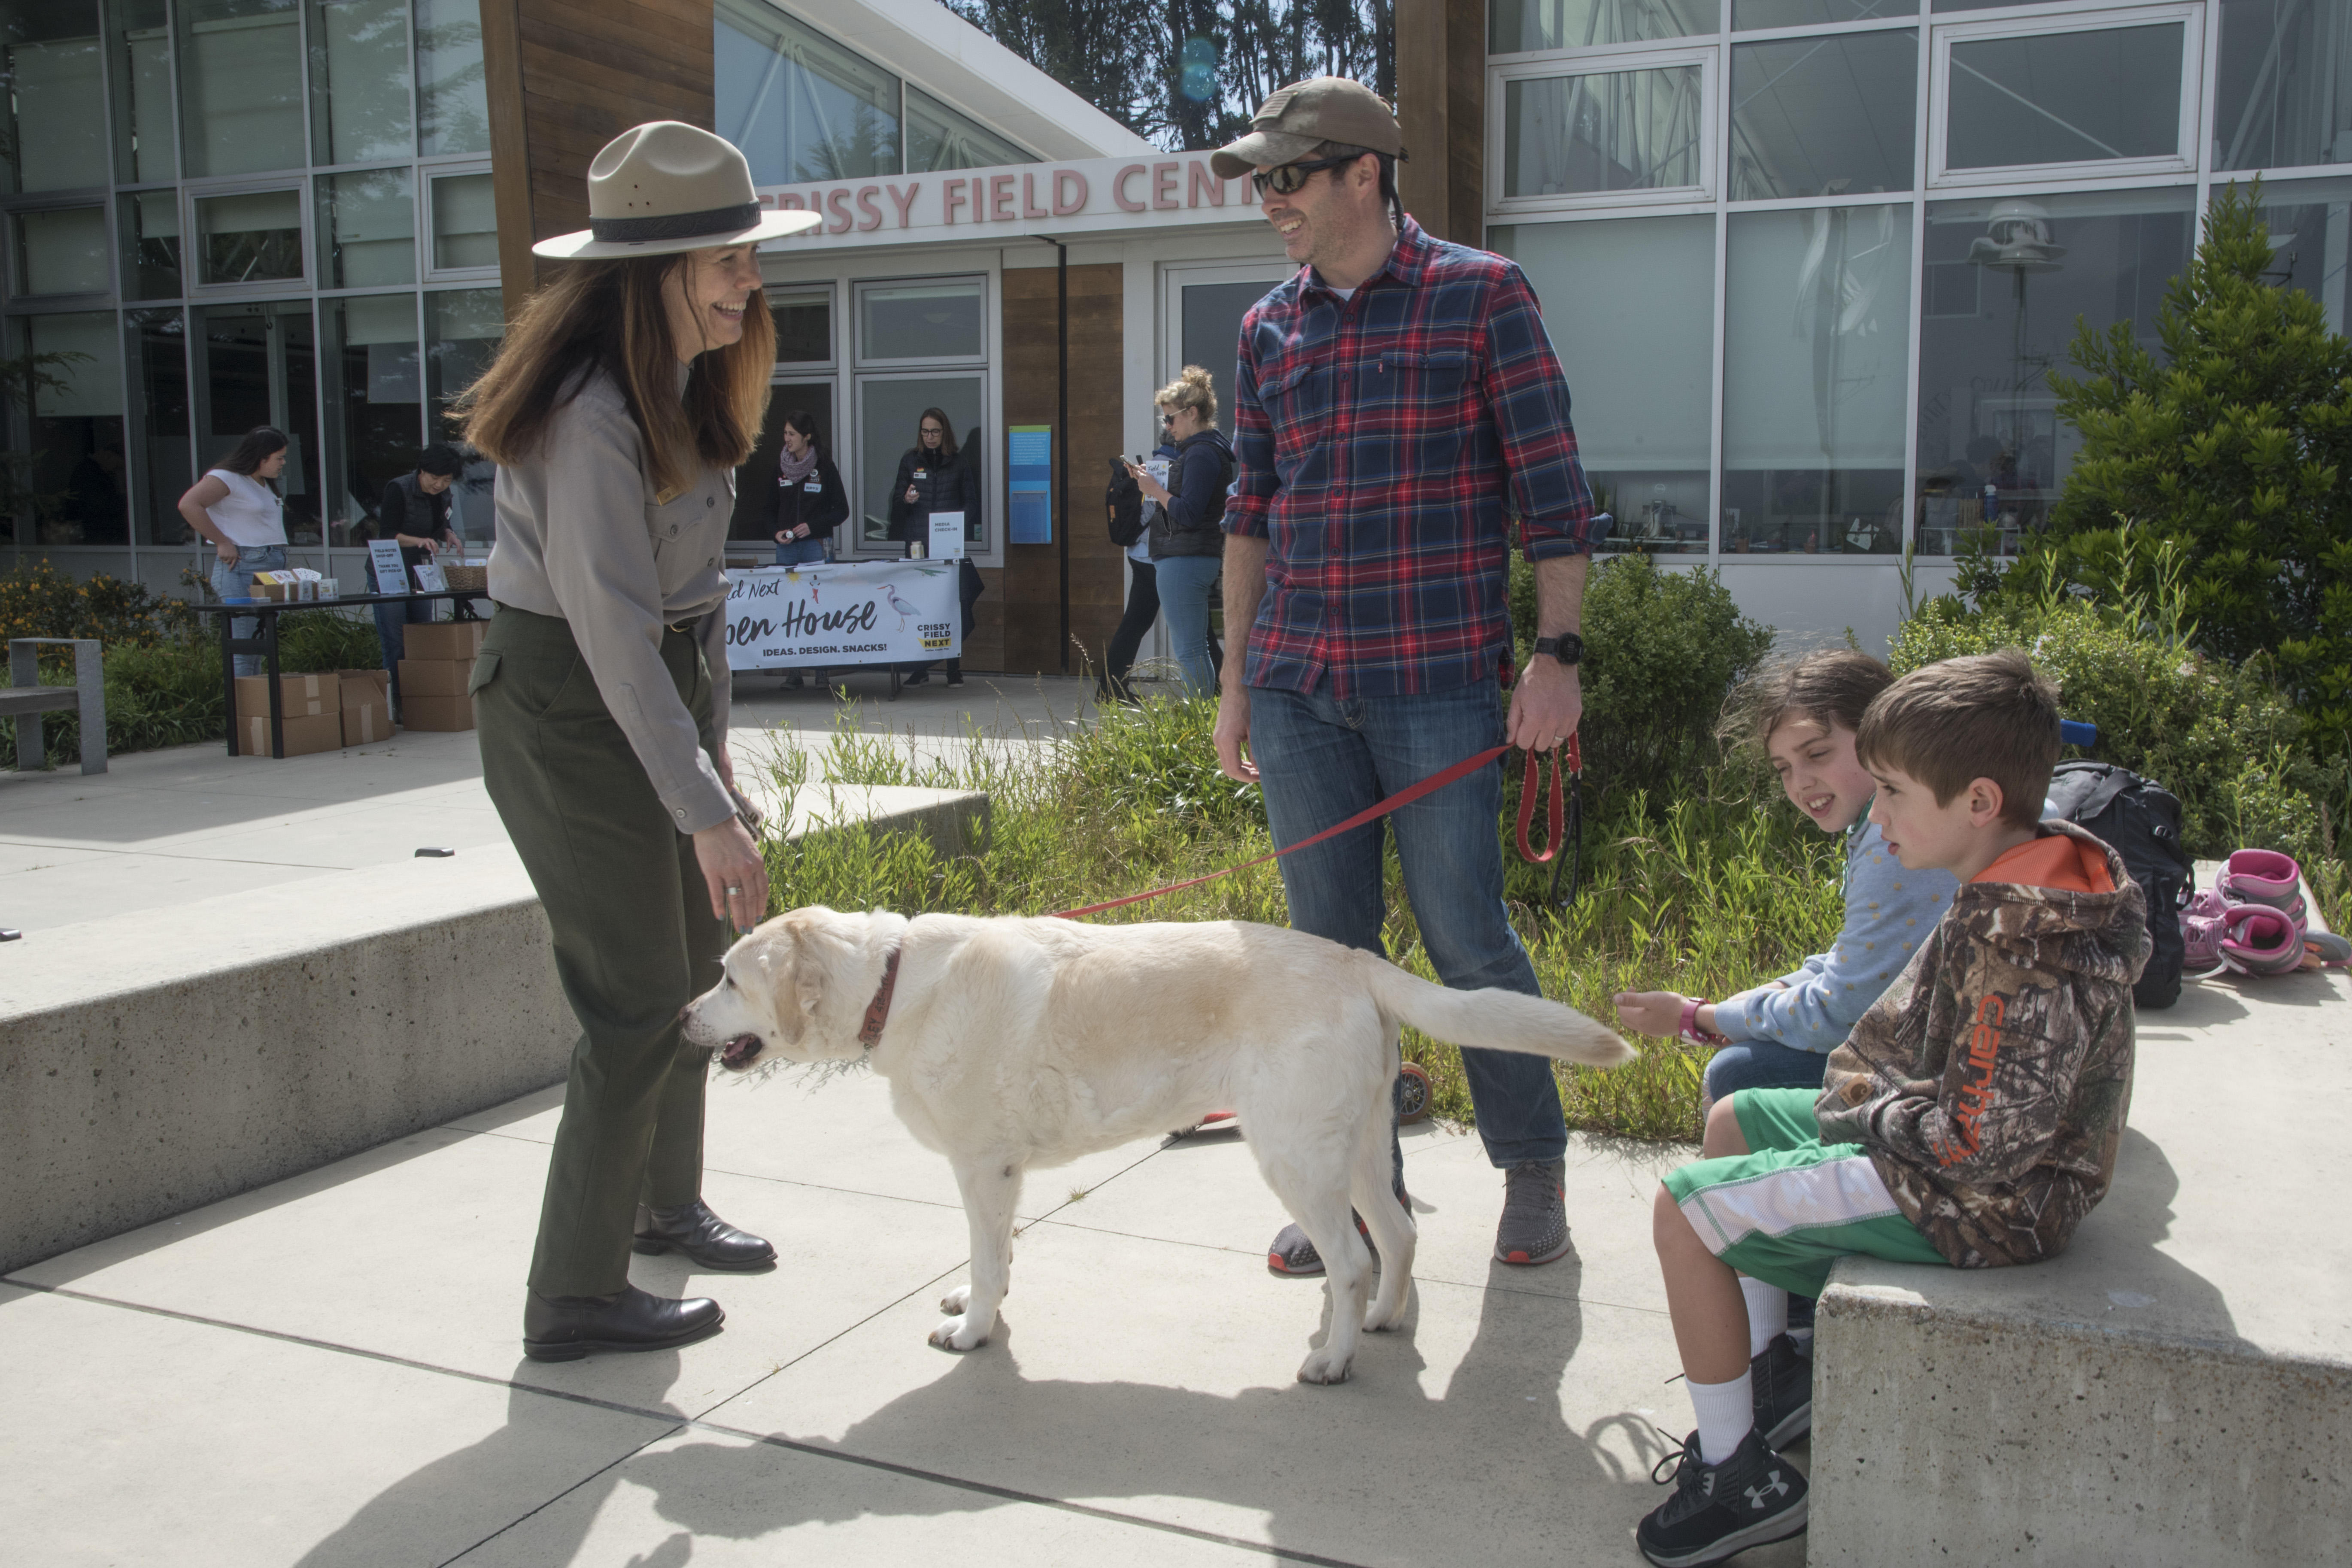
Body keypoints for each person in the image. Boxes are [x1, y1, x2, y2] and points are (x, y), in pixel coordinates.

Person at [1207, 79, 1605, 1276]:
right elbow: (1246, 516)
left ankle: (1530, 1165)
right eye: (1262, 180)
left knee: (1461, 936)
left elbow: (1554, 492)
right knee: (1318, 960)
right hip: (1295, 688)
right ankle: (1355, 1198)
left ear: (1363, 175)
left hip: (1431, 681)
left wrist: (1556, 653)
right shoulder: (1263, 328)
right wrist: (1233, 683)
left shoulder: (1481, 298)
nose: (1269, 200)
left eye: (1289, 176)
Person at [1635, 650, 2148, 1567]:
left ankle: (1736, 1473)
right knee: (1737, 1116)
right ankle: (1771, 1369)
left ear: (1979, 801)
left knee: (1684, 1206)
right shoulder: (2016, 874)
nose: (1878, 813)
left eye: (1896, 792)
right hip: (1963, 1151)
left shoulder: (2021, 944)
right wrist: (1865, 1092)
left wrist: (1865, 1108)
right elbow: (1907, 1038)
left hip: (1988, 1203)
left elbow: (1978, 1143)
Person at [453, 120, 818, 1362]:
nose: (747, 280)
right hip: (564, 707)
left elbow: (689, 617)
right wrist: (701, 806)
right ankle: (572, 1293)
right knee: (626, 1004)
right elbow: (613, 636)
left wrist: (712, 784)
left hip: (638, 689)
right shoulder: (583, 415)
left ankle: (666, 1208)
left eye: (747, 256)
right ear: (651, 270)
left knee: (687, 975)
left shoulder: (680, 384)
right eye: (727, 258)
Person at [1615, 650, 1957, 1109]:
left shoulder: (1891, 836)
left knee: (1741, 1073)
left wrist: (1698, 1017)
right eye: (1783, 768)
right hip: (1948, 1048)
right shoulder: (1887, 818)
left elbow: (1843, 1014)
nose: (1800, 782)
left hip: (1947, 1073)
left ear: (1884, 733)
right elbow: (1858, 962)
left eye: (1816, 753)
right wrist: (1771, 993)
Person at [1127, 367, 1234, 696]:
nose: (1167, 427)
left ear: (1193, 413)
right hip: (1190, 556)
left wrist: (1154, 490)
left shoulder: (1200, 452)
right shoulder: (1203, 450)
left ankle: (1198, 720)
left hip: (1184, 557)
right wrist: (1154, 484)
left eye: (1170, 419)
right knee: (1195, 645)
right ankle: (1203, 718)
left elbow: (1187, 512)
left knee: (1189, 649)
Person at [746, 408, 847, 691]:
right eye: (785, 433)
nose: (786, 439)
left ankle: (822, 670)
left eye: (791, 434)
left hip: (815, 547)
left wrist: (811, 527)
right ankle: (794, 672)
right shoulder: (779, 468)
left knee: (819, 608)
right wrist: (775, 533)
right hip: (787, 551)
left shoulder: (825, 468)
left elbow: (842, 510)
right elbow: (767, 510)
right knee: (790, 610)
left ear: (807, 436)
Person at [178, 427, 291, 677]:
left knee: (259, 646)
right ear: (261, 456)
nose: (283, 463)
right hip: (242, 566)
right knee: (243, 648)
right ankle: (244, 712)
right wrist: (221, 541)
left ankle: (258, 708)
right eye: (279, 458)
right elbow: (189, 504)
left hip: (270, 566)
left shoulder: (263, 483)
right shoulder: (226, 477)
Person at [886, 407, 984, 688]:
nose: (930, 437)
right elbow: (895, 502)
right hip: (917, 545)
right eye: (925, 431)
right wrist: (905, 499)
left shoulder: (958, 463)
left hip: (946, 547)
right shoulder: (909, 461)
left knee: (950, 607)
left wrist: (956, 526)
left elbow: (971, 503)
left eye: (935, 431)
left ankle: (954, 668)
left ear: (945, 433)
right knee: (920, 609)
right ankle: (920, 668)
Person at [371, 445, 464, 721]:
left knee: (422, 636)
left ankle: (421, 700)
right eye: (435, 478)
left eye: (446, 480)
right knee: (396, 639)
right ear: (421, 471)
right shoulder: (398, 489)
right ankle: (397, 704)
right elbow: (387, 533)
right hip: (389, 569)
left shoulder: (444, 494)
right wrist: (418, 541)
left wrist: (448, 533)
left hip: (421, 569)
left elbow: (438, 524)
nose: (439, 485)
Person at [1101, 433, 1174, 704]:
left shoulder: (1157, 462)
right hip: (1151, 556)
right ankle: (1110, 689)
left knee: (1136, 622)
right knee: (1138, 623)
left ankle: (1110, 689)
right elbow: (1158, 510)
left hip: (1143, 554)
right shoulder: (1164, 465)